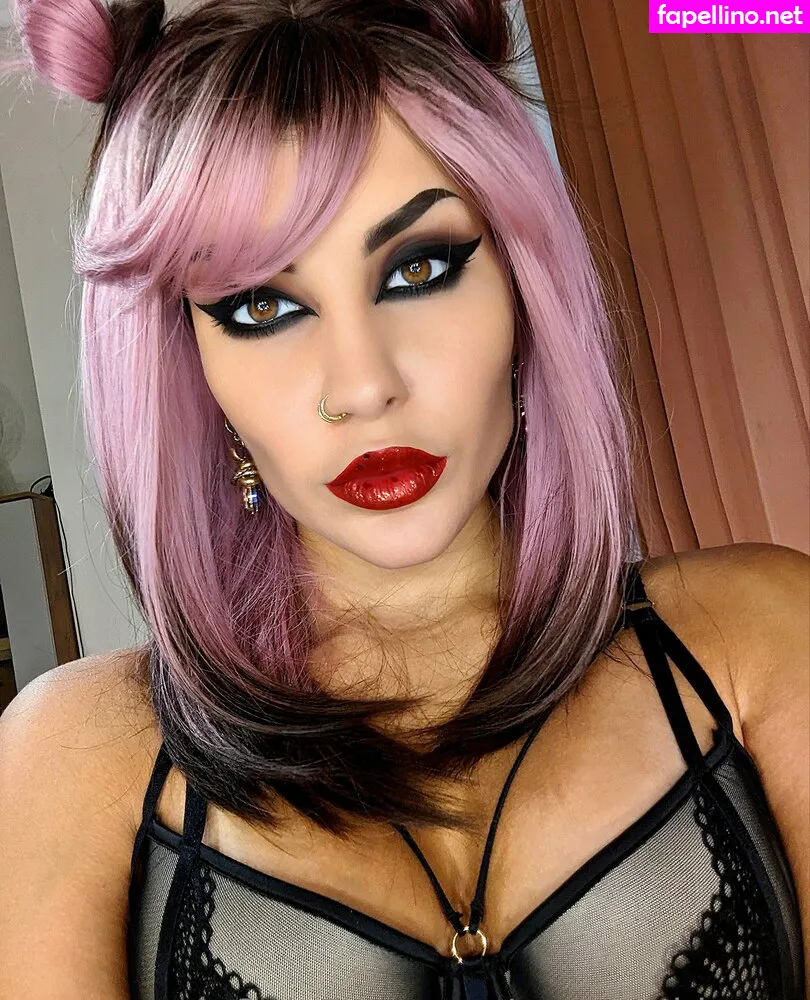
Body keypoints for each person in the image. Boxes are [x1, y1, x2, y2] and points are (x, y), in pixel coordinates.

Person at [0, 1, 806, 997]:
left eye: (419, 268)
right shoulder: (74, 759)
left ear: (525, 285)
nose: (364, 384)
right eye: (261, 305)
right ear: (187, 366)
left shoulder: (764, 637)